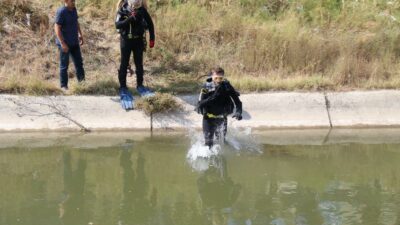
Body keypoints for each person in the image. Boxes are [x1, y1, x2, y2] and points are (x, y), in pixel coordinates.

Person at [115, 0, 155, 96]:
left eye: (138, 6)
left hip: (138, 41)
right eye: (135, 6)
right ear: (130, 4)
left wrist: (152, 39)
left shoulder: (142, 10)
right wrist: (130, 19)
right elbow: (117, 24)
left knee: (139, 64)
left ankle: (140, 85)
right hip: (126, 41)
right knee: (124, 63)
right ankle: (123, 86)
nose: (136, 8)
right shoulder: (122, 9)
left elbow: (150, 24)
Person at [196, 67, 243, 148]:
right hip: (208, 118)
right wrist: (213, 96)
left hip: (222, 118)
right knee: (208, 144)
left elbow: (238, 102)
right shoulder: (206, 87)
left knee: (221, 141)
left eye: (220, 78)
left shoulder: (227, 86)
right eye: (216, 78)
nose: (218, 80)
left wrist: (239, 112)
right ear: (212, 77)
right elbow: (200, 104)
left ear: (223, 77)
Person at [54, 0, 85, 91]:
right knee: (64, 65)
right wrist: (62, 43)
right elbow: (57, 28)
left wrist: (80, 34)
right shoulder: (61, 11)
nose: (74, 2)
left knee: (79, 64)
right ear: (66, 1)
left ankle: (82, 84)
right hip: (65, 43)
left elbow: (76, 22)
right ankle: (64, 86)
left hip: (74, 42)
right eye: (72, 0)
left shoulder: (74, 9)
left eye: (74, 0)